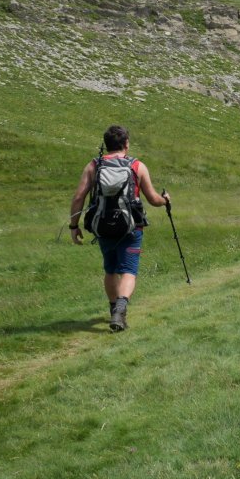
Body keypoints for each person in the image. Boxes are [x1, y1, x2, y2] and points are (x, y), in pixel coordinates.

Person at [69, 125, 170, 332]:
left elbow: (79, 197)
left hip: (103, 227)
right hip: (131, 228)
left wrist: (74, 226)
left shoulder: (94, 165)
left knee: (110, 269)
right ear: (126, 144)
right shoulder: (137, 166)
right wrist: (165, 200)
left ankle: (114, 309)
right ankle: (121, 310)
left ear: (106, 145)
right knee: (129, 271)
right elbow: (153, 199)